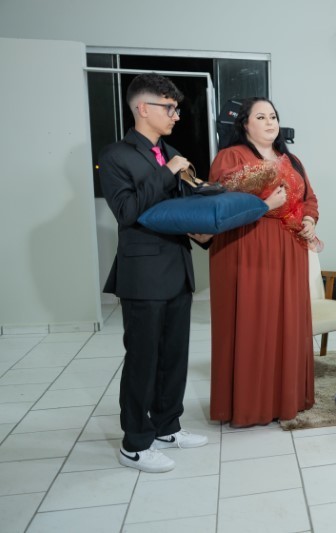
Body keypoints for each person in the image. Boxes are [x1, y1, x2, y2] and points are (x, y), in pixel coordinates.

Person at [99, 73, 209, 473]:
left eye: (177, 109)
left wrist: (206, 218)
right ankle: (135, 443)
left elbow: (179, 207)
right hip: (143, 275)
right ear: (143, 108)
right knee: (143, 361)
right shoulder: (115, 156)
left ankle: (167, 426)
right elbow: (127, 212)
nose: (176, 115)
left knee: (174, 357)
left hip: (177, 268)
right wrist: (168, 172)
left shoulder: (171, 152)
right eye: (170, 108)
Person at [208, 97, 319, 427]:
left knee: (287, 322)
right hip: (247, 246)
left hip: (290, 249)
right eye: (261, 117)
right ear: (245, 124)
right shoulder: (231, 156)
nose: (270, 122)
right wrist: (265, 204)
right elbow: (221, 203)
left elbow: (309, 198)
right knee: (254, 322)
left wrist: (310, 219)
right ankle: (250, 405)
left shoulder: (292, 160)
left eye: (273, 116)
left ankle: (286, 398)